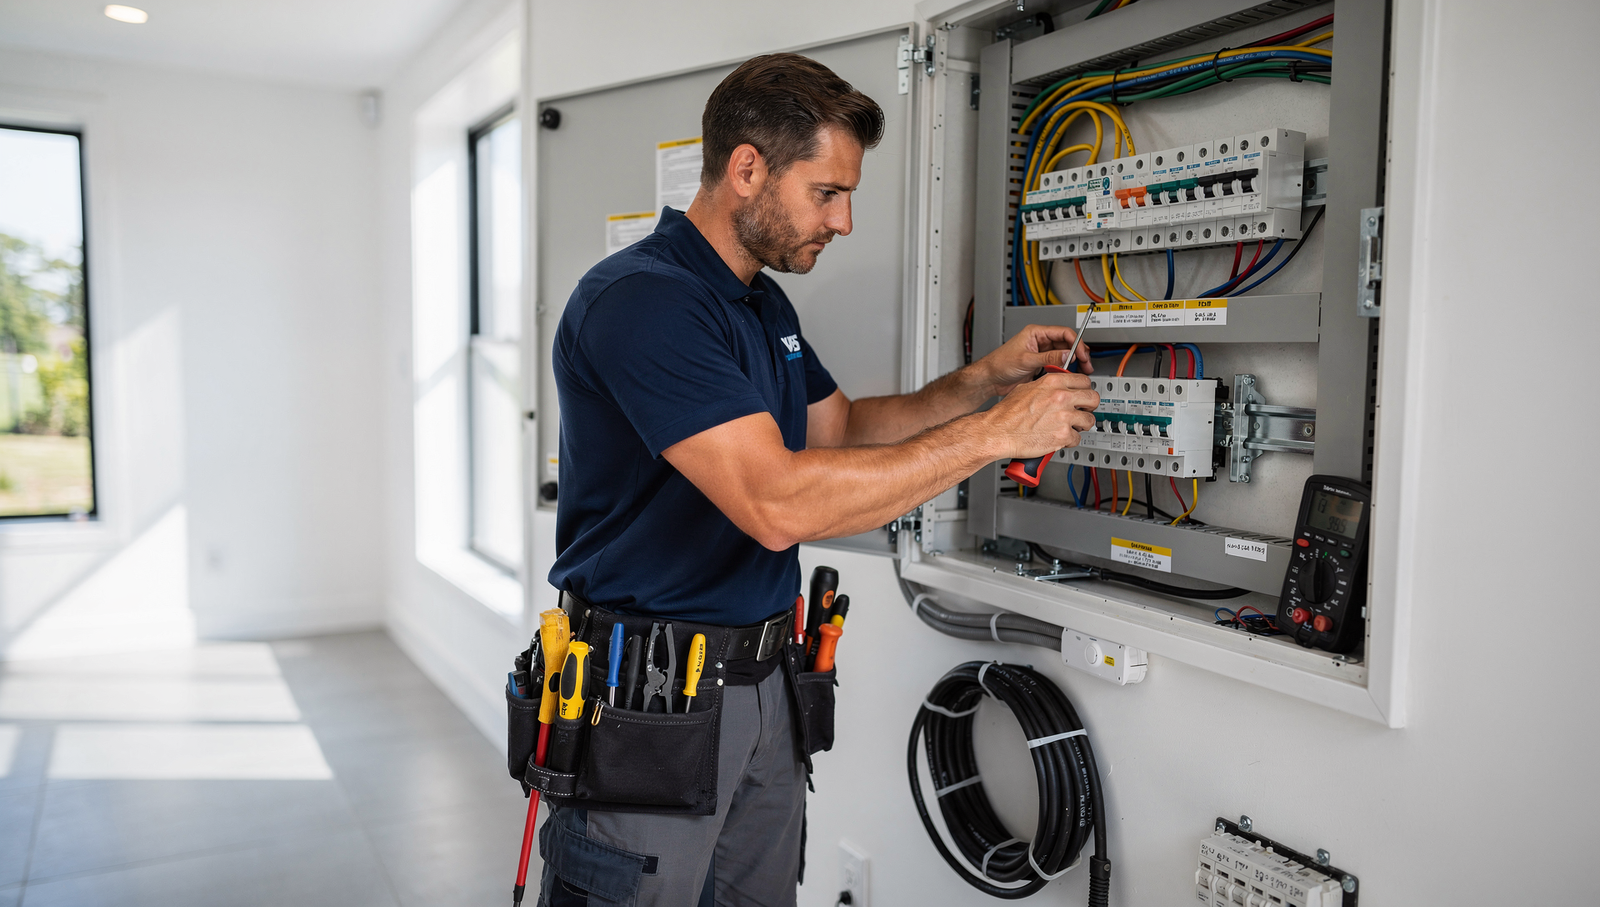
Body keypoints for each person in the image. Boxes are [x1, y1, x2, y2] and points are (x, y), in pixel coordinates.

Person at [538, 52, 1098, 907]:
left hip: (764, 695)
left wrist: (984, 384)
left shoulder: (762, 305)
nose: (842, 222)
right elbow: (776, 501)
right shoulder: (641, 301)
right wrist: (994, 436)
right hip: (650, 703)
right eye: (827, 193)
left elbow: (839, 430)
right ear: (747, 168)